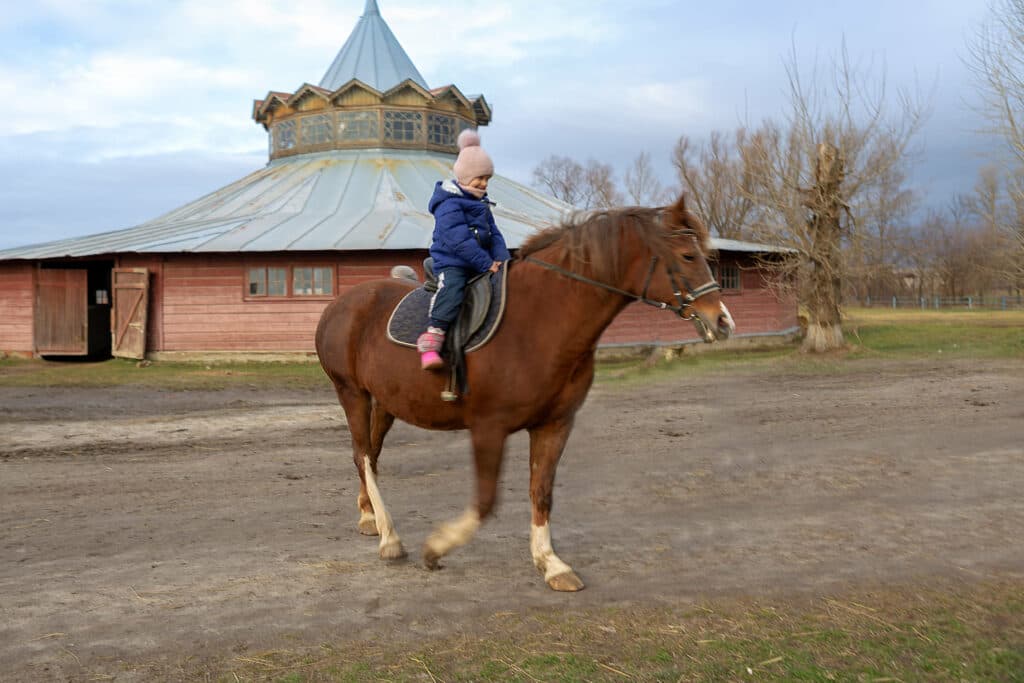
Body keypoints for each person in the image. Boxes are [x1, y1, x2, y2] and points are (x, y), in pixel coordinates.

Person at [417, 129, 510, 370]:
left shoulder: (480, 203)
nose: (483, 183)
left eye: (487, 179)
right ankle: (433, 337)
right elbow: (459, 241)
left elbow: (495, 235)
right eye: (478, 177)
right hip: (454, 262)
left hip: (481, 261)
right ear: (464, 176)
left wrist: (503, 261)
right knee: (453, 289)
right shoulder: (448, 205)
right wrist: (485, 263)